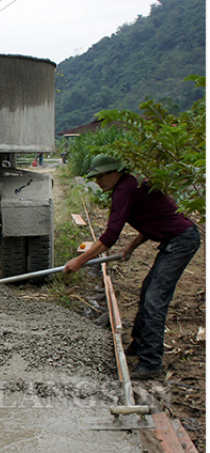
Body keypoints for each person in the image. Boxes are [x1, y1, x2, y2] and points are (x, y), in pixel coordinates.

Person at [63, 155, 200, 380]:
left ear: (114, 172)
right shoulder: (131, 183)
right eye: (95, 178)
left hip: (181, 241)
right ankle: (139, 345)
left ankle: (150, 363)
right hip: (174, 239)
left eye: (100, 176)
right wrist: (131, 247)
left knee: (155, 299)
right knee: (148, 291)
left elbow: (110, 235)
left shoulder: (124, 189)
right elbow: (152, 220)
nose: (98, 182)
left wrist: (80, 261)